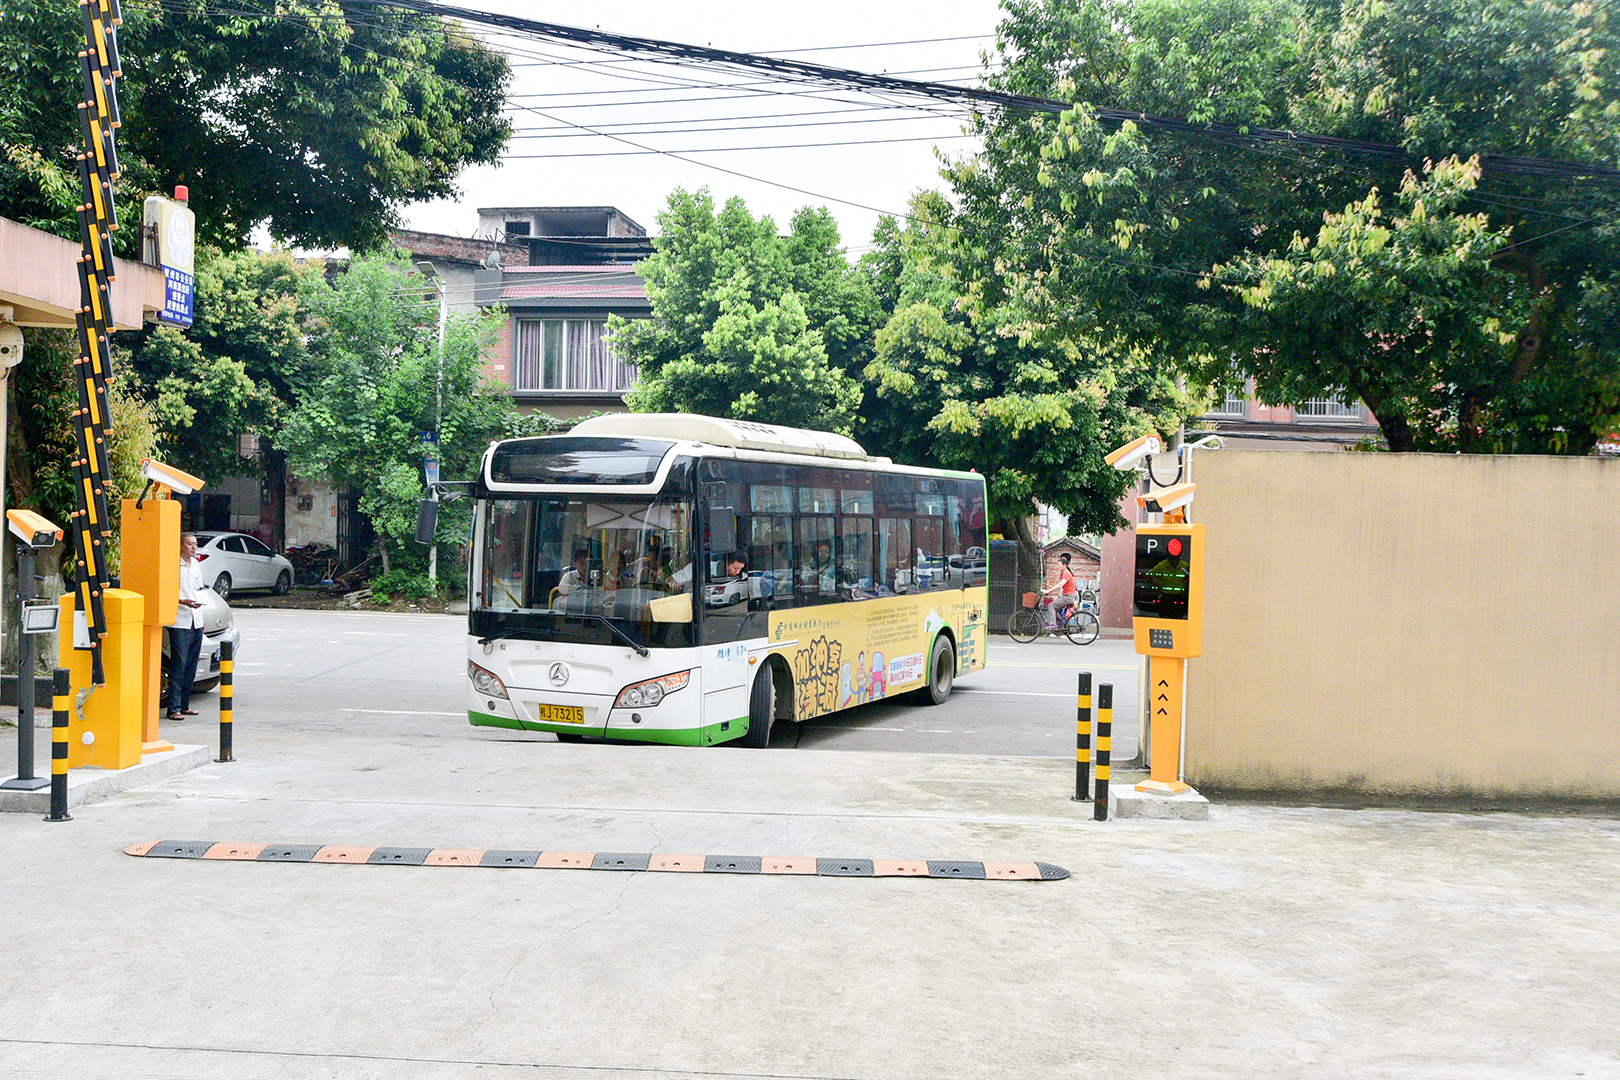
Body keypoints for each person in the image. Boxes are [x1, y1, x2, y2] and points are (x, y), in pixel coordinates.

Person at [166, 532, 206, 721]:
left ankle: (185, 705)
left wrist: (201, 617)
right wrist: (182, 601)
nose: (193, 547)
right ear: (181, 545)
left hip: (195, 618)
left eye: (195, 544)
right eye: (190, 544)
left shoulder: (196, 565)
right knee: (179, 664)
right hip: (179, 619)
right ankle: (173, 708)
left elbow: (198, 590)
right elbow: (166, 592)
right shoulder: (174, 565)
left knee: (191, 664)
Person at [1043, 551, 1079, 626]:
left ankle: (1053, 624)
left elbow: (1060, 585)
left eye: (1059, 565)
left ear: (1065, 565)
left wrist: (1048, 590)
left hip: (1069, 597)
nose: (1058, 567)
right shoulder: (1062, 574)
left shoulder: (1067, 574)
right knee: (1054, 609)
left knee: (1051, 606)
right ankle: (1062, 626)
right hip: (1066, 596)